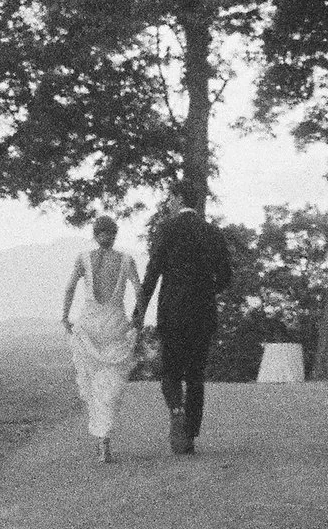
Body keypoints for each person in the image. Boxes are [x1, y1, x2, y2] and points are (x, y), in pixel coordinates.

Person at [135, 191, 233, 455]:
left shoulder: (166, 229)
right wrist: (205, 289)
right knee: (196, 376)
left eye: (171, 198)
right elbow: (226, 276)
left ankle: (176, 410)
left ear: (178, 200)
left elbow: (152, 273)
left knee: (171, 370)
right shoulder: (211, 232)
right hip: (202, 312)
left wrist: (138, 312)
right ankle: (189, 434)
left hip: (173, 311)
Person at [61, 215, 141, 463]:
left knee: (96, 384)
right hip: (113, 325)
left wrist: (65, 316)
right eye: (106, 233)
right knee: (109, 385)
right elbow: (140, 292)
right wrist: (138, 320)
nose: (106, 236)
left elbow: (70, 288)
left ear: (96, 235)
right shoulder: (126, 260)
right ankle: (103, 439)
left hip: (92, 326)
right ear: (111, 234)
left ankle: (102, 440)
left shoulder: (84, 258)